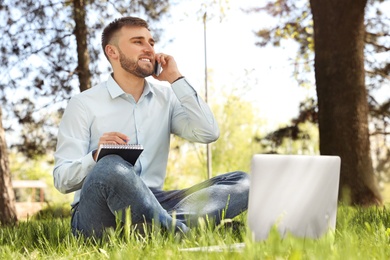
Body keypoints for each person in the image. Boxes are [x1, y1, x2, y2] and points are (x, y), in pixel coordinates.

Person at [53, 16, 250, 238]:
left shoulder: (166, 98)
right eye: (138, 42)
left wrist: (176, 78)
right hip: (97, 214)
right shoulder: (83, 104)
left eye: (151, 42)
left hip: (155, 201)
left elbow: (208, 132)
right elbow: (61, 180)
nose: (149, 49)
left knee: (243, 182)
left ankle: (159, 229)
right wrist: (96, 157)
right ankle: (183, 231)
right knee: (111, 167)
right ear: (113, 52)